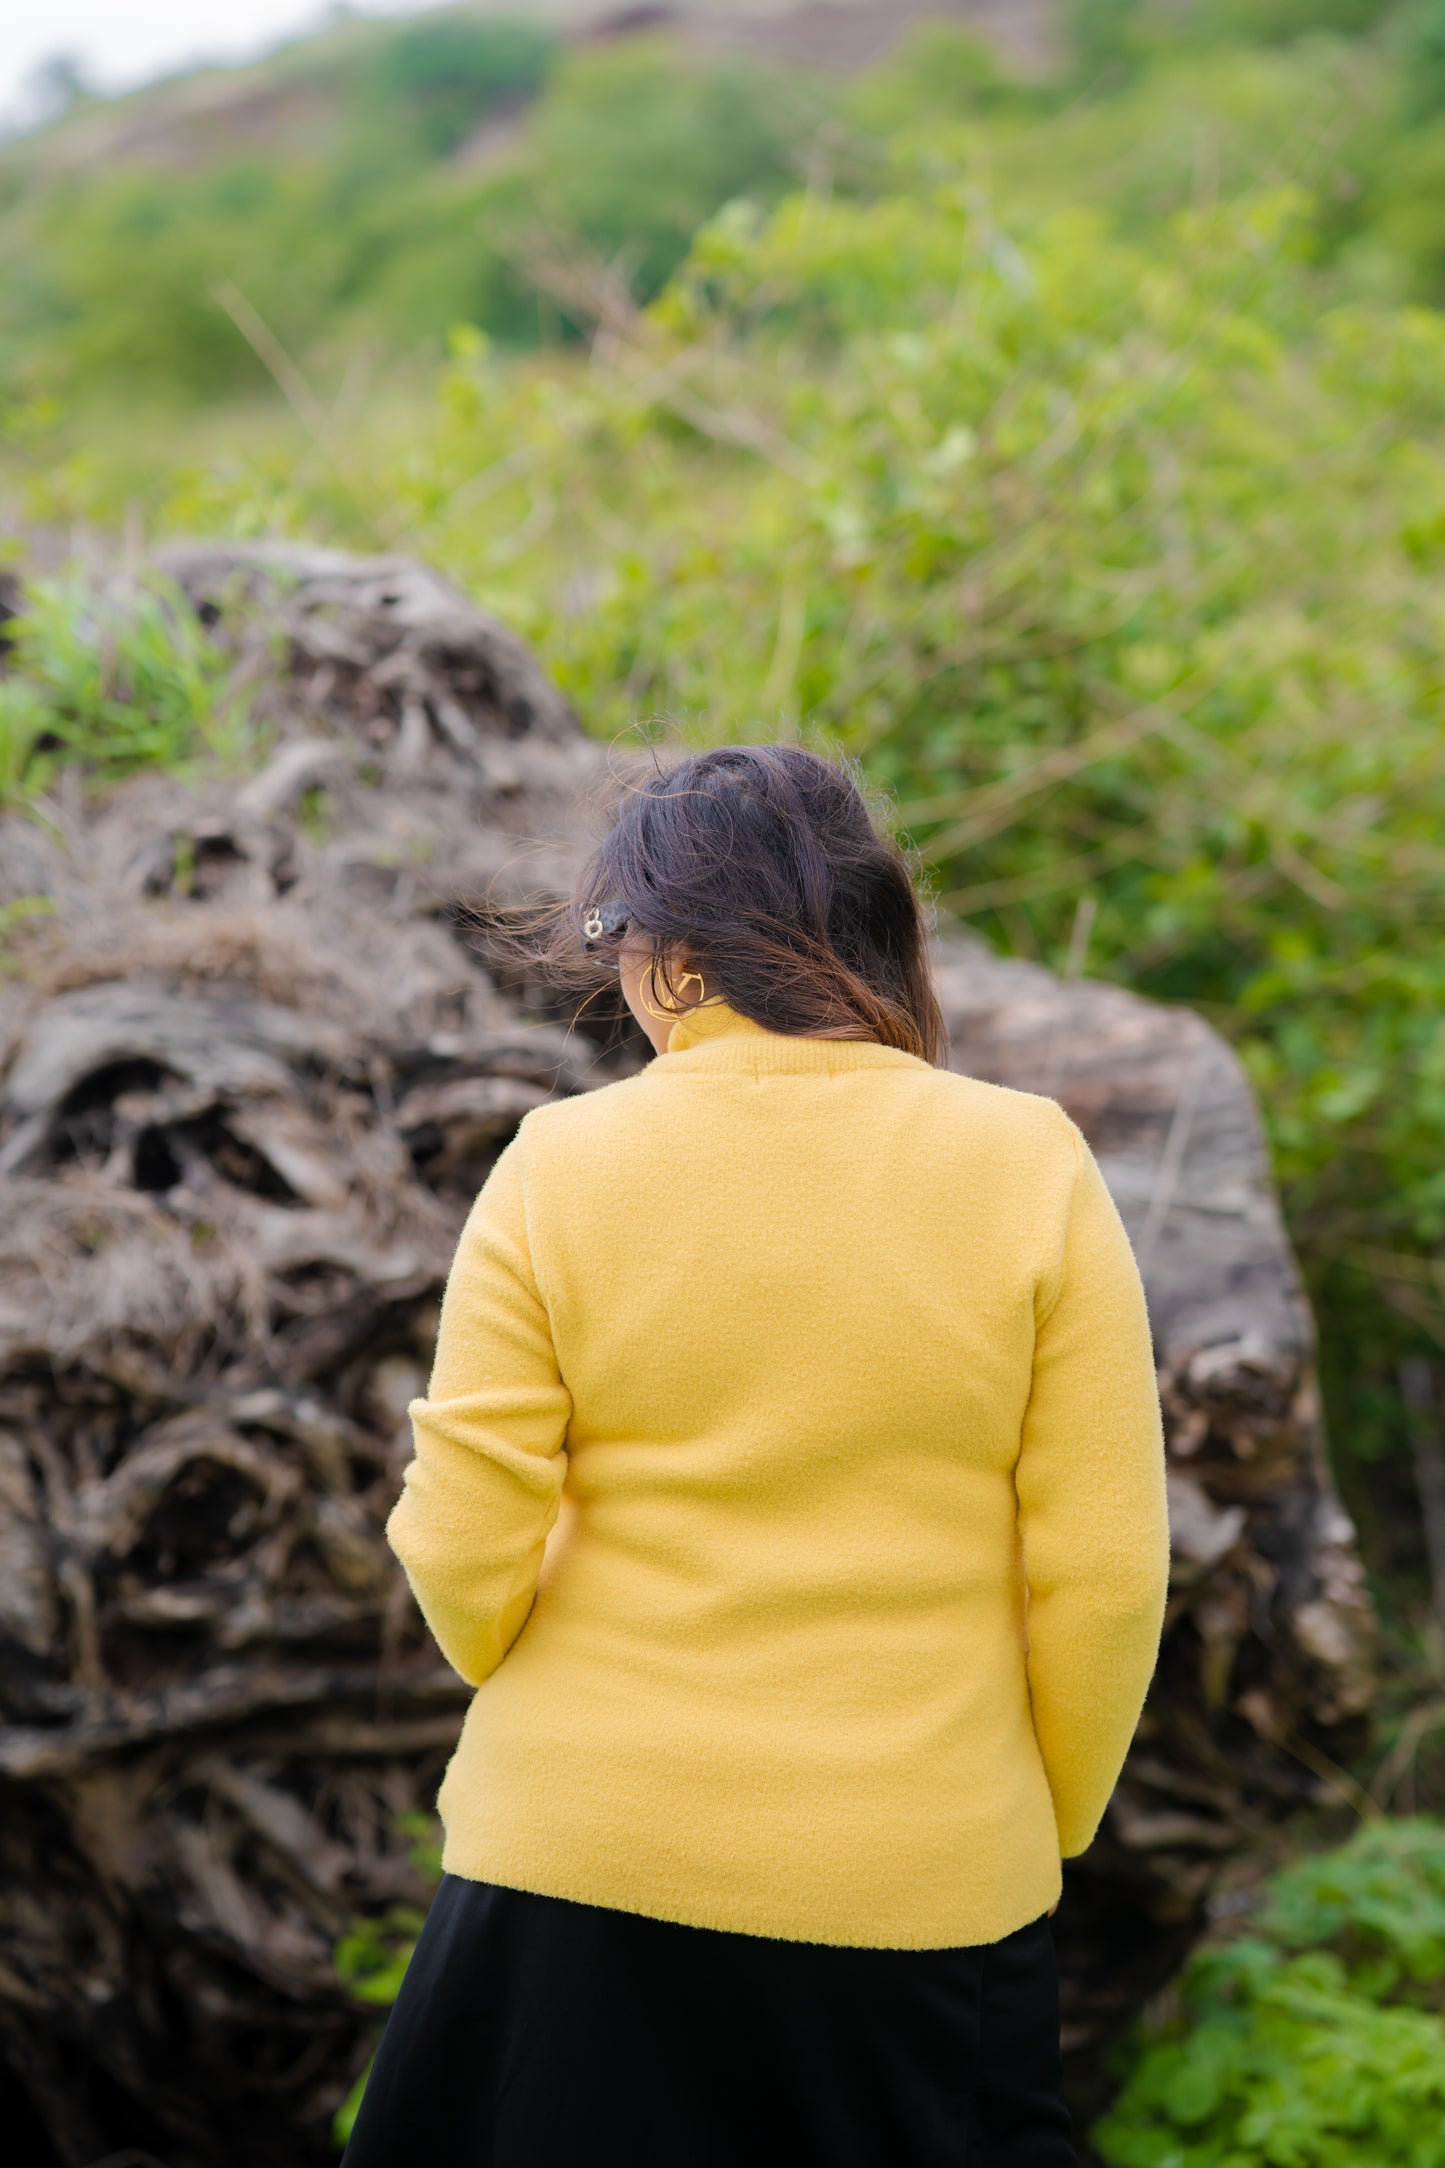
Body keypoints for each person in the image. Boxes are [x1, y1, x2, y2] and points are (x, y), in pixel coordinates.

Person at [342, 745, 1169, 2167]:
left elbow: (460, 1545)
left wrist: (573, 1702)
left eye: (612, 938)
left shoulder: (560, 1162)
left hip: (575, 1863)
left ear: (676, 956)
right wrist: (1033, 1816)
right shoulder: (1026, 1161)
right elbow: (1100, 1576)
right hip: (919, 1884)